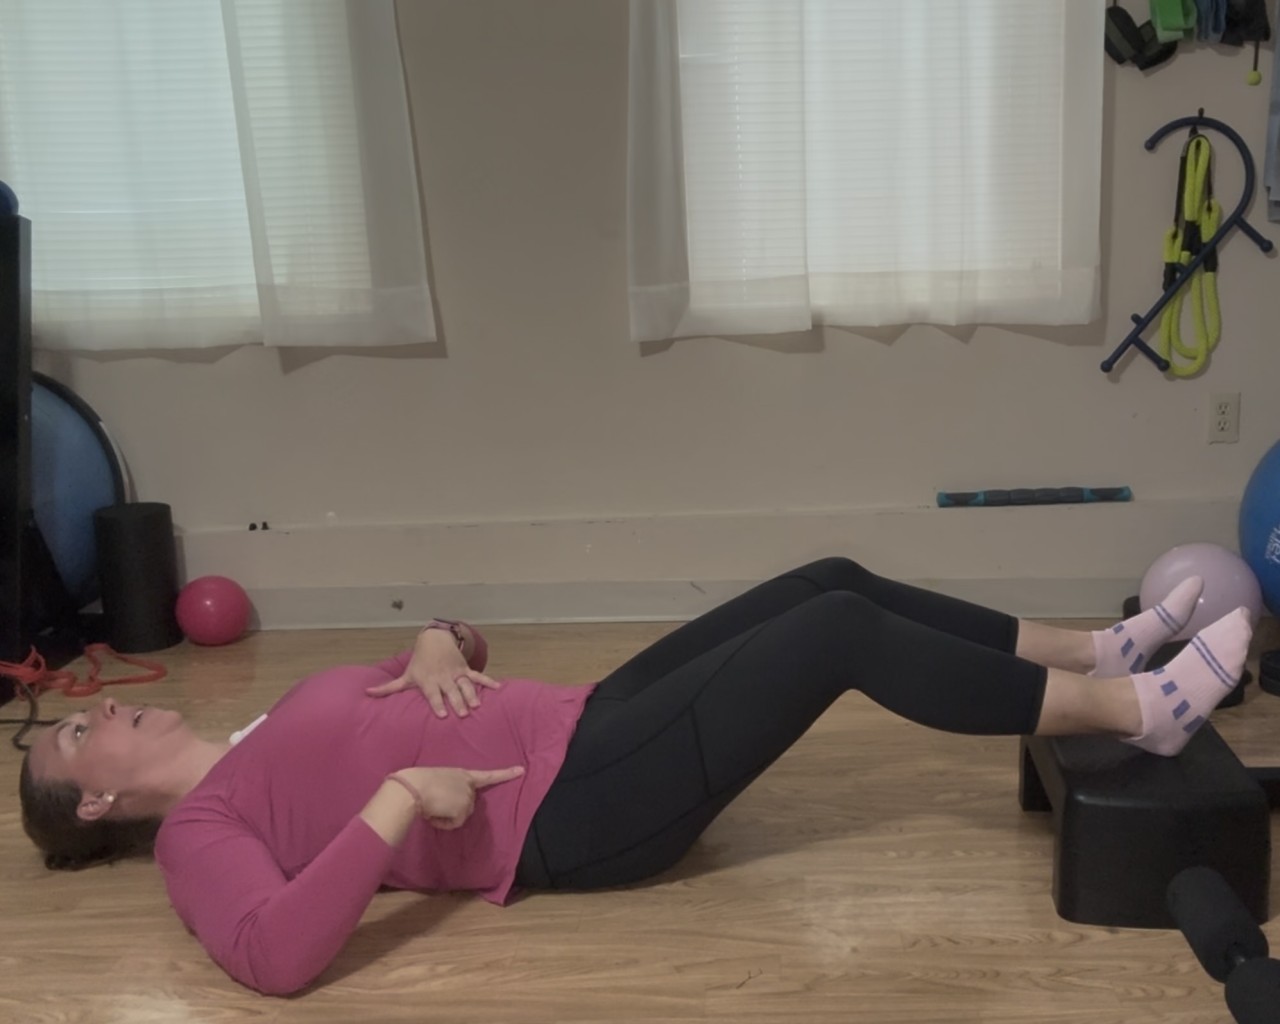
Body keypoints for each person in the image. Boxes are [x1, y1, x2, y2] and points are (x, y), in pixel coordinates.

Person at [17, 558, 1251, 996]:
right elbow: (272, 955)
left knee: (825, 579)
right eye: (71, 740)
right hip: (574, 810)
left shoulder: (254, 720)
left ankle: (1099, 645)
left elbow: (412, 686)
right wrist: (398, 806)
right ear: (97, 804)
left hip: (586, 717)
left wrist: (441, 638)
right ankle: (1135, 713)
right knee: (834, 640)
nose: (94, 712)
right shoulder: (199, 832)